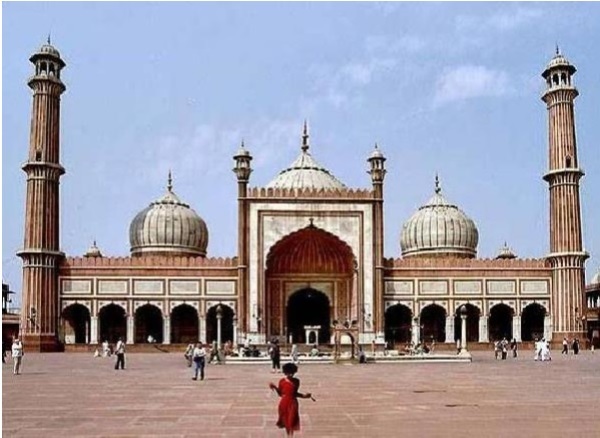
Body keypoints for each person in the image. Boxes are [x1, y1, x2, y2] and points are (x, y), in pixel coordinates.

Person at [269, 362, 313, 437]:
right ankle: (288, 435)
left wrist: (305, 396)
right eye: (289, 373)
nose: (291, 375)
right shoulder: (282, 381)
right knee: (286, 421)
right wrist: (275, 387)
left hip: (293, 403)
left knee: (291, 420)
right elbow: (280, 394)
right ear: (285, 372)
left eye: (292, 373)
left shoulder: (296, 381)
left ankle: (290, 436)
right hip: (284, 403)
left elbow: (295, 393)